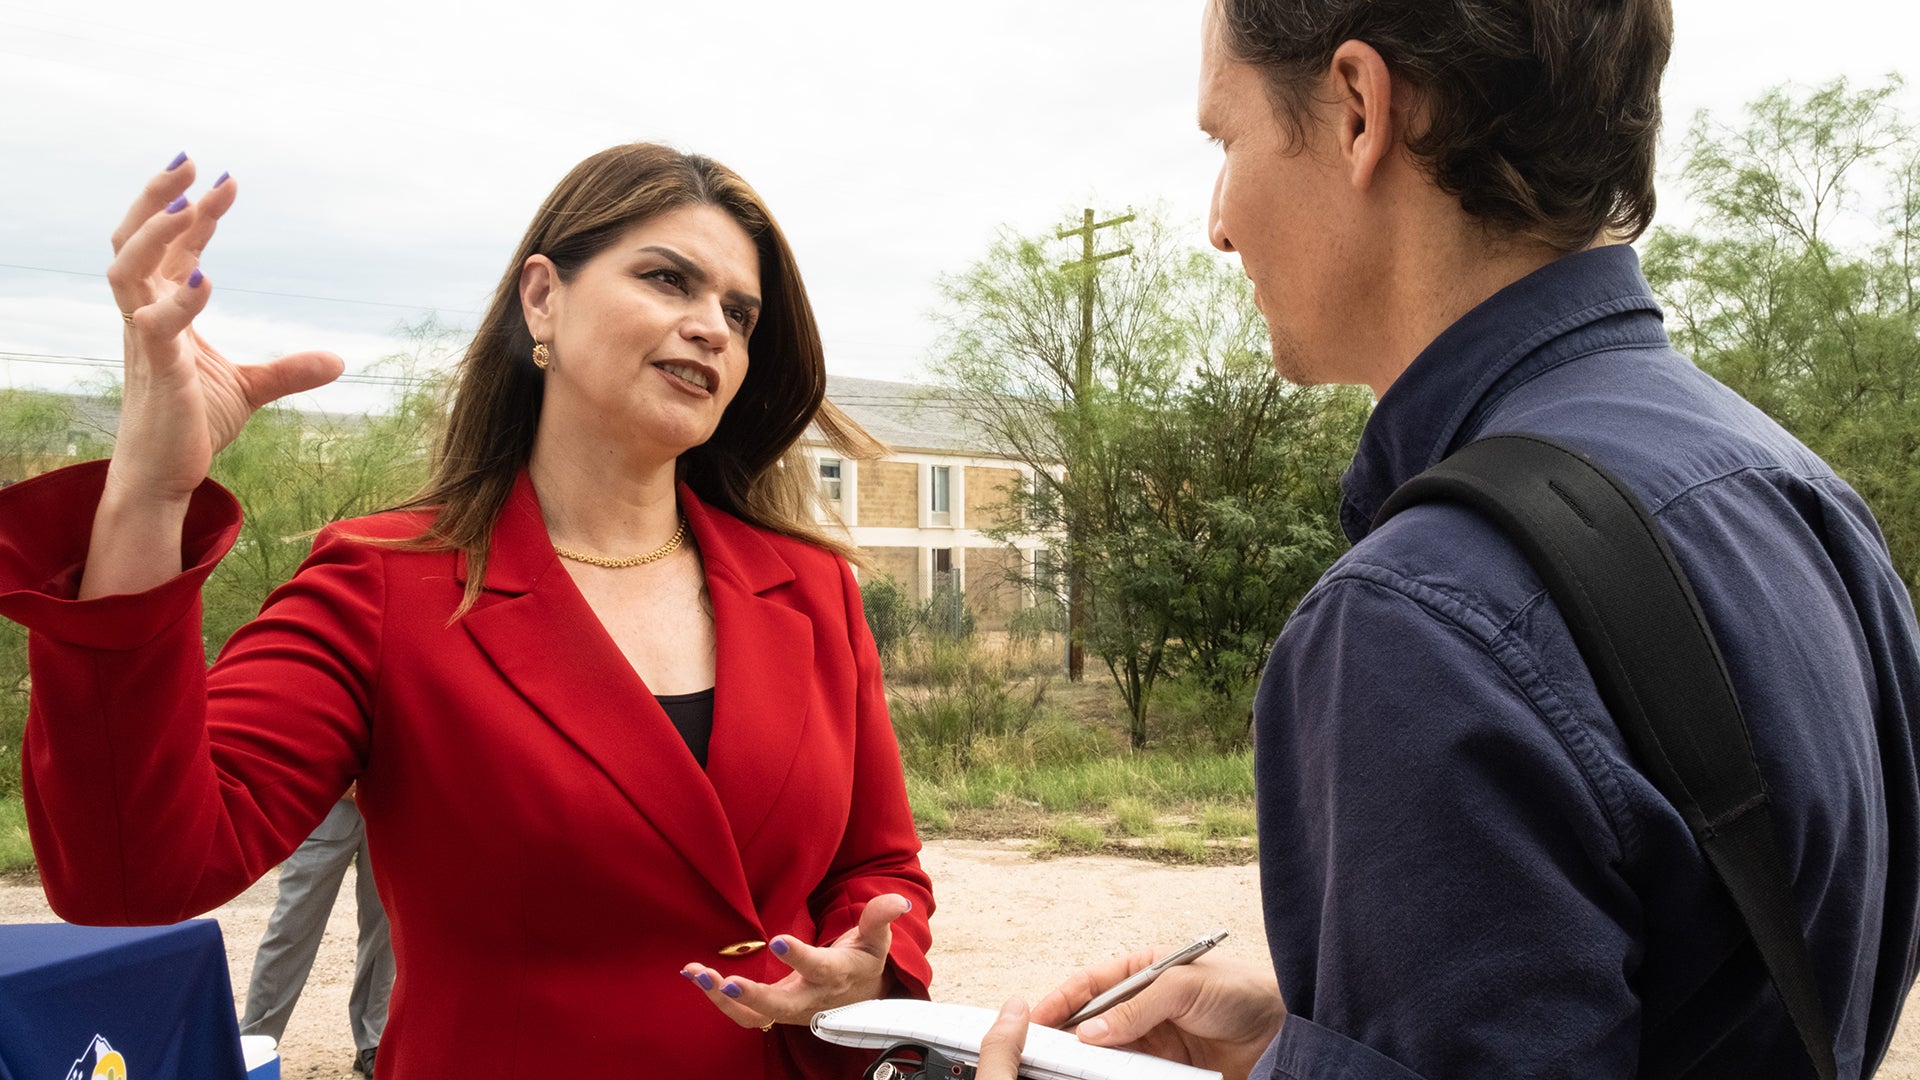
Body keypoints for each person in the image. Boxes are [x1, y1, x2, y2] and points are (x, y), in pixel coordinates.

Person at [980, 1, 1920, 1077]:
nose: (1219, 222)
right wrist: (1315, 1049)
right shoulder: (1805, 501)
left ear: (1358, 109)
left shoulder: (1420, 615)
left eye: (1224, 139)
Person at [0, 143, 935, 1078]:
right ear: (543, 299)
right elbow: (131, 876)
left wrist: (870, 967)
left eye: (739, 312)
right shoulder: (383, 580)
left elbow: (881, 868)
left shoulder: (810, 592)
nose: (714, 328)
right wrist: (150, 498)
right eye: (668, 280)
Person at [238, 790, 392, 1079]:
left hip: (388, 810)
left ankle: (372, 1038)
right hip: (327, 807)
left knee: (383, 930)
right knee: (291, 929)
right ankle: (252, 1042)